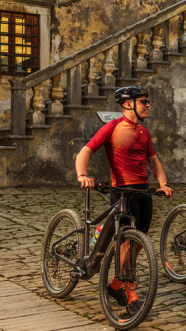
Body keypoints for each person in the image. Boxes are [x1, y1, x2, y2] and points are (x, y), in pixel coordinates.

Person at [75, 85, 174, 314]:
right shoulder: (113, 127)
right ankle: (130, 290)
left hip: (143, 192)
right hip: (122, 192)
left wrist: (163, 183)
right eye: (143, 101)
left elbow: (153, 162)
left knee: (140, 242)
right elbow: (85, 152)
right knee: (127, 242)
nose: (148, 105)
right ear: (128, 104)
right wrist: (83, 175)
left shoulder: (144, 132)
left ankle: (116, 284)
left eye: (147, 101)